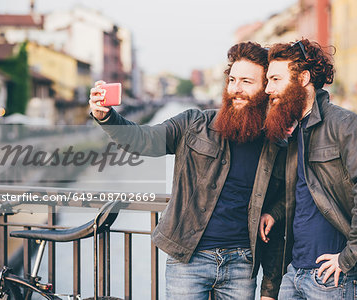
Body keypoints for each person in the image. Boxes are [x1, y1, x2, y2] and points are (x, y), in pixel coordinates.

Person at [89, 42, 286, 299]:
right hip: (188, 260)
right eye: (233, 79)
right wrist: (106, 117)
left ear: (266, 87)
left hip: (242, 264)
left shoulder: (276, 144)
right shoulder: (195, 123)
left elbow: (285, 203)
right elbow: (143, 139)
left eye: (247, 81)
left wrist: (269, 287)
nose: (236, 89)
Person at [258, 38, 357, 300]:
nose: (268, 89)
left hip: (333, 277)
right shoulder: (295, 131)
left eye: (275, 79)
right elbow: (303, 191)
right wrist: (275, 213)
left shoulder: (343, 123)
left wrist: (348, 257)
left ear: (303, 79)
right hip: (295, 272)